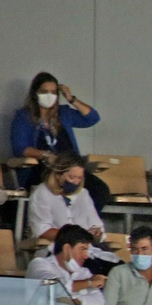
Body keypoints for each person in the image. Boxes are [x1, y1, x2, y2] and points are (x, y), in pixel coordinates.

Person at [10, 72, 106, 208]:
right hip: (43, 169)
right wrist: (46, 155)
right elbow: (20, 148)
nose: (49, 96)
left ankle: (81, 226)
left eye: (53, 92)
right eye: (44, 92)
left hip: (70, 168)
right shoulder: (24, 117)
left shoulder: (63, 113)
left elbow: (92, 118)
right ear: (35, 93)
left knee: (100, 191)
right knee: (59, 193)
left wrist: (72, 99)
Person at [26, 154, 118, 273]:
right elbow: (42, 230)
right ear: (58, 174)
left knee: (116, 267)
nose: (76, 182)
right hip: (57, 250)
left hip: (86, 249)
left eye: (79, 178)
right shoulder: (42, 193)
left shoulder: (83, 194)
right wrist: (75, 236)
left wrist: (96, 233)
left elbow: (96, 225)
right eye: (72, 177)